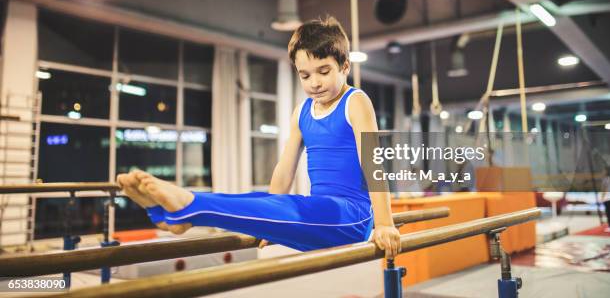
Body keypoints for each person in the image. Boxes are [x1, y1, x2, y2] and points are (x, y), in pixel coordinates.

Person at [117, 16, 401, 257]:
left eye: (323, 72)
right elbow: (284, 169)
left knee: (291, 206)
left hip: (352, 217)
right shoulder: (302, 111)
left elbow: (374, 166)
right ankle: (165, 215)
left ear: (345, 67)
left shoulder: (356, 101)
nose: (314, 83)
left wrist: (385, 224)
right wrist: (270, 219)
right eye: (304, 75)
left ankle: (189, 207)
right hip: (321, 215)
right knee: (257, 199)